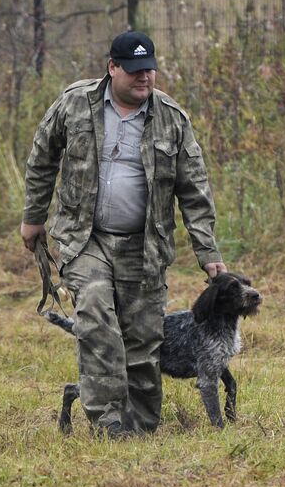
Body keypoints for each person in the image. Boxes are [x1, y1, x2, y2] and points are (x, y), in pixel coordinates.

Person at [20, 30, 225, 438]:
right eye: (133, 71)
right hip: (85, 238)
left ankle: (141, 425)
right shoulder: (75, 104)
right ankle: (107, 422)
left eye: (148, 69)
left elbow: (194, 190)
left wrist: (208, 252)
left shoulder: (172, 118)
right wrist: (34, 216)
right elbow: (43, 157)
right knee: (96, 316)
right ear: (112, 68)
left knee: (143, 338)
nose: (143, 78)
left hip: (143, 246)